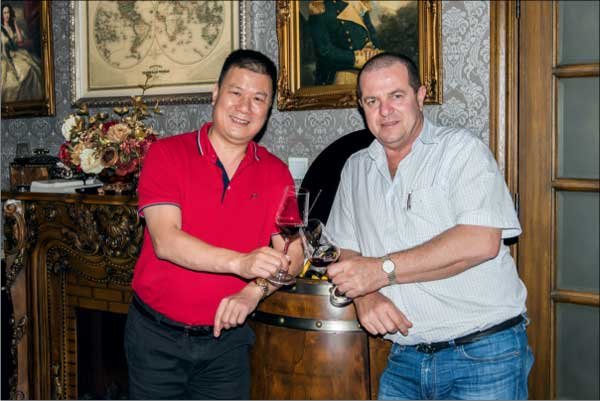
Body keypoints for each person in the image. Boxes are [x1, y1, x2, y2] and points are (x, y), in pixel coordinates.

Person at [326, 53, 534, 400]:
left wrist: (381, 272)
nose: (385, 110)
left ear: (420, 96)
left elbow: (481, 241)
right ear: (361, 107)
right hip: (404, 358)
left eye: (396, 96)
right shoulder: (355, 168)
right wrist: (365, 296)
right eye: (372, 101)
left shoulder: (461, 151)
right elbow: (345, 248)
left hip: (483, 354)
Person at [124, 49, 304, 400]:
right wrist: (241, 263)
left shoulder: (276, 172)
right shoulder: (166, 154)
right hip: (156, 339)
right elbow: (166, 241)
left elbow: (293, 255)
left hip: (227, 346)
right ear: (215, 94)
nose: (245, 107)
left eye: (258, 99)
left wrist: (254, 291)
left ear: (268, 109)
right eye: (236, 93)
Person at [308, 0, 382, 85]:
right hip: (342, 74)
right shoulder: (320, 6)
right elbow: (324, 51)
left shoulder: (359, 4)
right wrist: (356, 58)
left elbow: (372, 38)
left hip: (367, 70)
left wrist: (371, 51)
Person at [1, 3, 43, 102]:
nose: (7, 15)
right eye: (4, 13)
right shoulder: (1, 29)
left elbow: (20, 41)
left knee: (30, 69)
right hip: (5, 56)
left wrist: (15, 24)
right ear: (1, 15)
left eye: (8, 12)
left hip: (17, 54)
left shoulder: (12, 27)